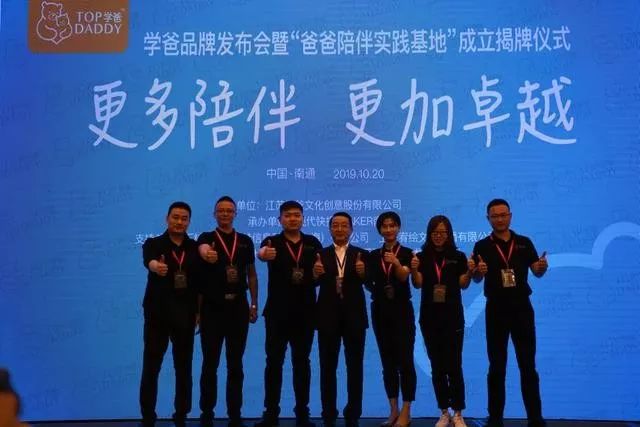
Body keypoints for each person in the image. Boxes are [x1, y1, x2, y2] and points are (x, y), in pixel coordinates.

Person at [472, 199, 548, 427]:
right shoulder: (481, 246)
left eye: (503, 214)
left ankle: (535, 418)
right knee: (496, 366)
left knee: (528, 365)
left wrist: (541, 267)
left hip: (522, 308)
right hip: (496, 309)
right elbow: (475, 278)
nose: (499, 219)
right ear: (488, 219)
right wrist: (478, 271)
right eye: (494, 216)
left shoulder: (524, 242)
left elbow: (537, 271)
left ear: (510, 216)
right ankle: (495, 418)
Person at [254, 201, 322, 427]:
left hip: (305, 313)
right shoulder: (271, 242)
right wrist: (262, 254)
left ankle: (302, 412)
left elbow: (318, 278)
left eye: (297, 215)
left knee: (302, 362)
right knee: (273, 362)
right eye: (288, 215)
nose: (293, 219)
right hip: (277, 313)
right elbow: (261, 254)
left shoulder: (313, 243)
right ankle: (271, 412)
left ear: (303, 218)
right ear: (280, 219)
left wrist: (317, 274)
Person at [197, 196, 258, 427]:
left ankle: (235, 413)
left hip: (238, 308)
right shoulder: (206, 238)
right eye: (221, 210)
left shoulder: (245, 241)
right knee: (209, 363)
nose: (225, 214)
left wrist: (254, 303)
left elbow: (251, 274)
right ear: (214, 214)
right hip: (212, 308)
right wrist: (206, 253)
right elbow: (202, 252)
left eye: (229, 211)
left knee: (235, 363)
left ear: (235, 214)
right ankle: (207, 412)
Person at [410, 216, 474, 427]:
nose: (438, 236)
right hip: (429, 318)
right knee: (437, 367)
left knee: (454, 366)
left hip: (453, 317)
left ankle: (458, 412)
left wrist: (470, 271)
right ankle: (444, 411)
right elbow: (418, 284)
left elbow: (463, 284)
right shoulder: (421, 256)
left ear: (449, 234)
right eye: (435, 232)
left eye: (442, 232)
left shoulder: (458, 256)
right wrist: (414, 269)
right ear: (429, 234)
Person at [140, 201, 199, 427]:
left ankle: (181, 414)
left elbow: (200, 283)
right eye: (175, 217)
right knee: (151, 366)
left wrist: (199, 312)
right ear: (167, 219)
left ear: (189, 222)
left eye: (184, 218)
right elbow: (149, 261)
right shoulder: (153, 243)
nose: (179, 222)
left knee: (183, 367)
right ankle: (148, 415)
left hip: (185, 314)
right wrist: (156, 266)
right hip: (158, 315)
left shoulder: (194, 248)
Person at [313, 212, 368, 427]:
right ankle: (328, 412)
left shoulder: (362, 254)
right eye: (335, 225)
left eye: (344, 225)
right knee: (327, 367)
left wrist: (363, 273)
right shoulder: (320, 254)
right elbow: (311, 283)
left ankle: (353, 412)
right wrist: (314, 274)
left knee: (355, 366)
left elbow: (371, 283)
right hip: (327, 316)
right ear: (330, 229)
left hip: (354, 317)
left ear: (351, 229)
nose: (340, 229)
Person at [367, 212, 416, 427]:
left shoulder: (407, 253)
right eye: (384, 226)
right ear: (379, 229)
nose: (388, 229)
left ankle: (406, 409)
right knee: (387, 362)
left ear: (398, 228)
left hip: (402, 310)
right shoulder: (372, 255)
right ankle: (393, 409)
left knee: (405, 361)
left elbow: (404, 276)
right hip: (380, 310)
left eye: (392, 225)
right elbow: (368, 282)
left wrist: (395, 263)